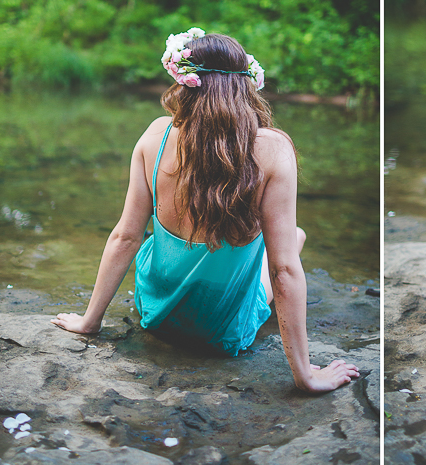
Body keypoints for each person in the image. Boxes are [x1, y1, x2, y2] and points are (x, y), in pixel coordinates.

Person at [51, 28, 359, 393]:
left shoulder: (156, 135)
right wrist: (305, 375)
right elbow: (284, 270)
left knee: (280, 237)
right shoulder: (273, 150)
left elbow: (125, 236)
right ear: (247, 84)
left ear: (184, 83)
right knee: (293, 239)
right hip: (222, 333)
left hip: (157, 314)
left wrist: (90, 322)